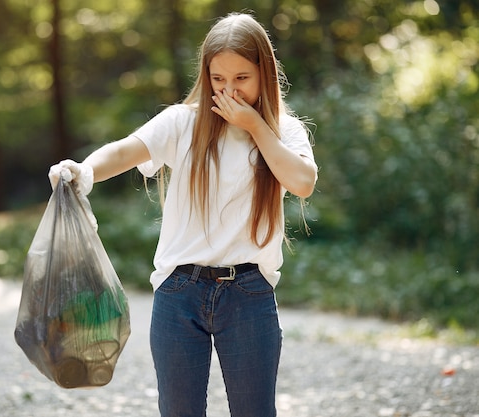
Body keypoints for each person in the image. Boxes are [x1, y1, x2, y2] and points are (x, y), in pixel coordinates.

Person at [49, 12, 317, 417]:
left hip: (249, 293)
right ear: (205, 75)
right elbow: (125, 149)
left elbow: (303, 182)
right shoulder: (182, 122)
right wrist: (83, 170)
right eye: (218, 79)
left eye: (242, 78)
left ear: (265, 71)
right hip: (179, 292)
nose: (229, 90)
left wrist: (256, 126)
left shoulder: (284, 130)